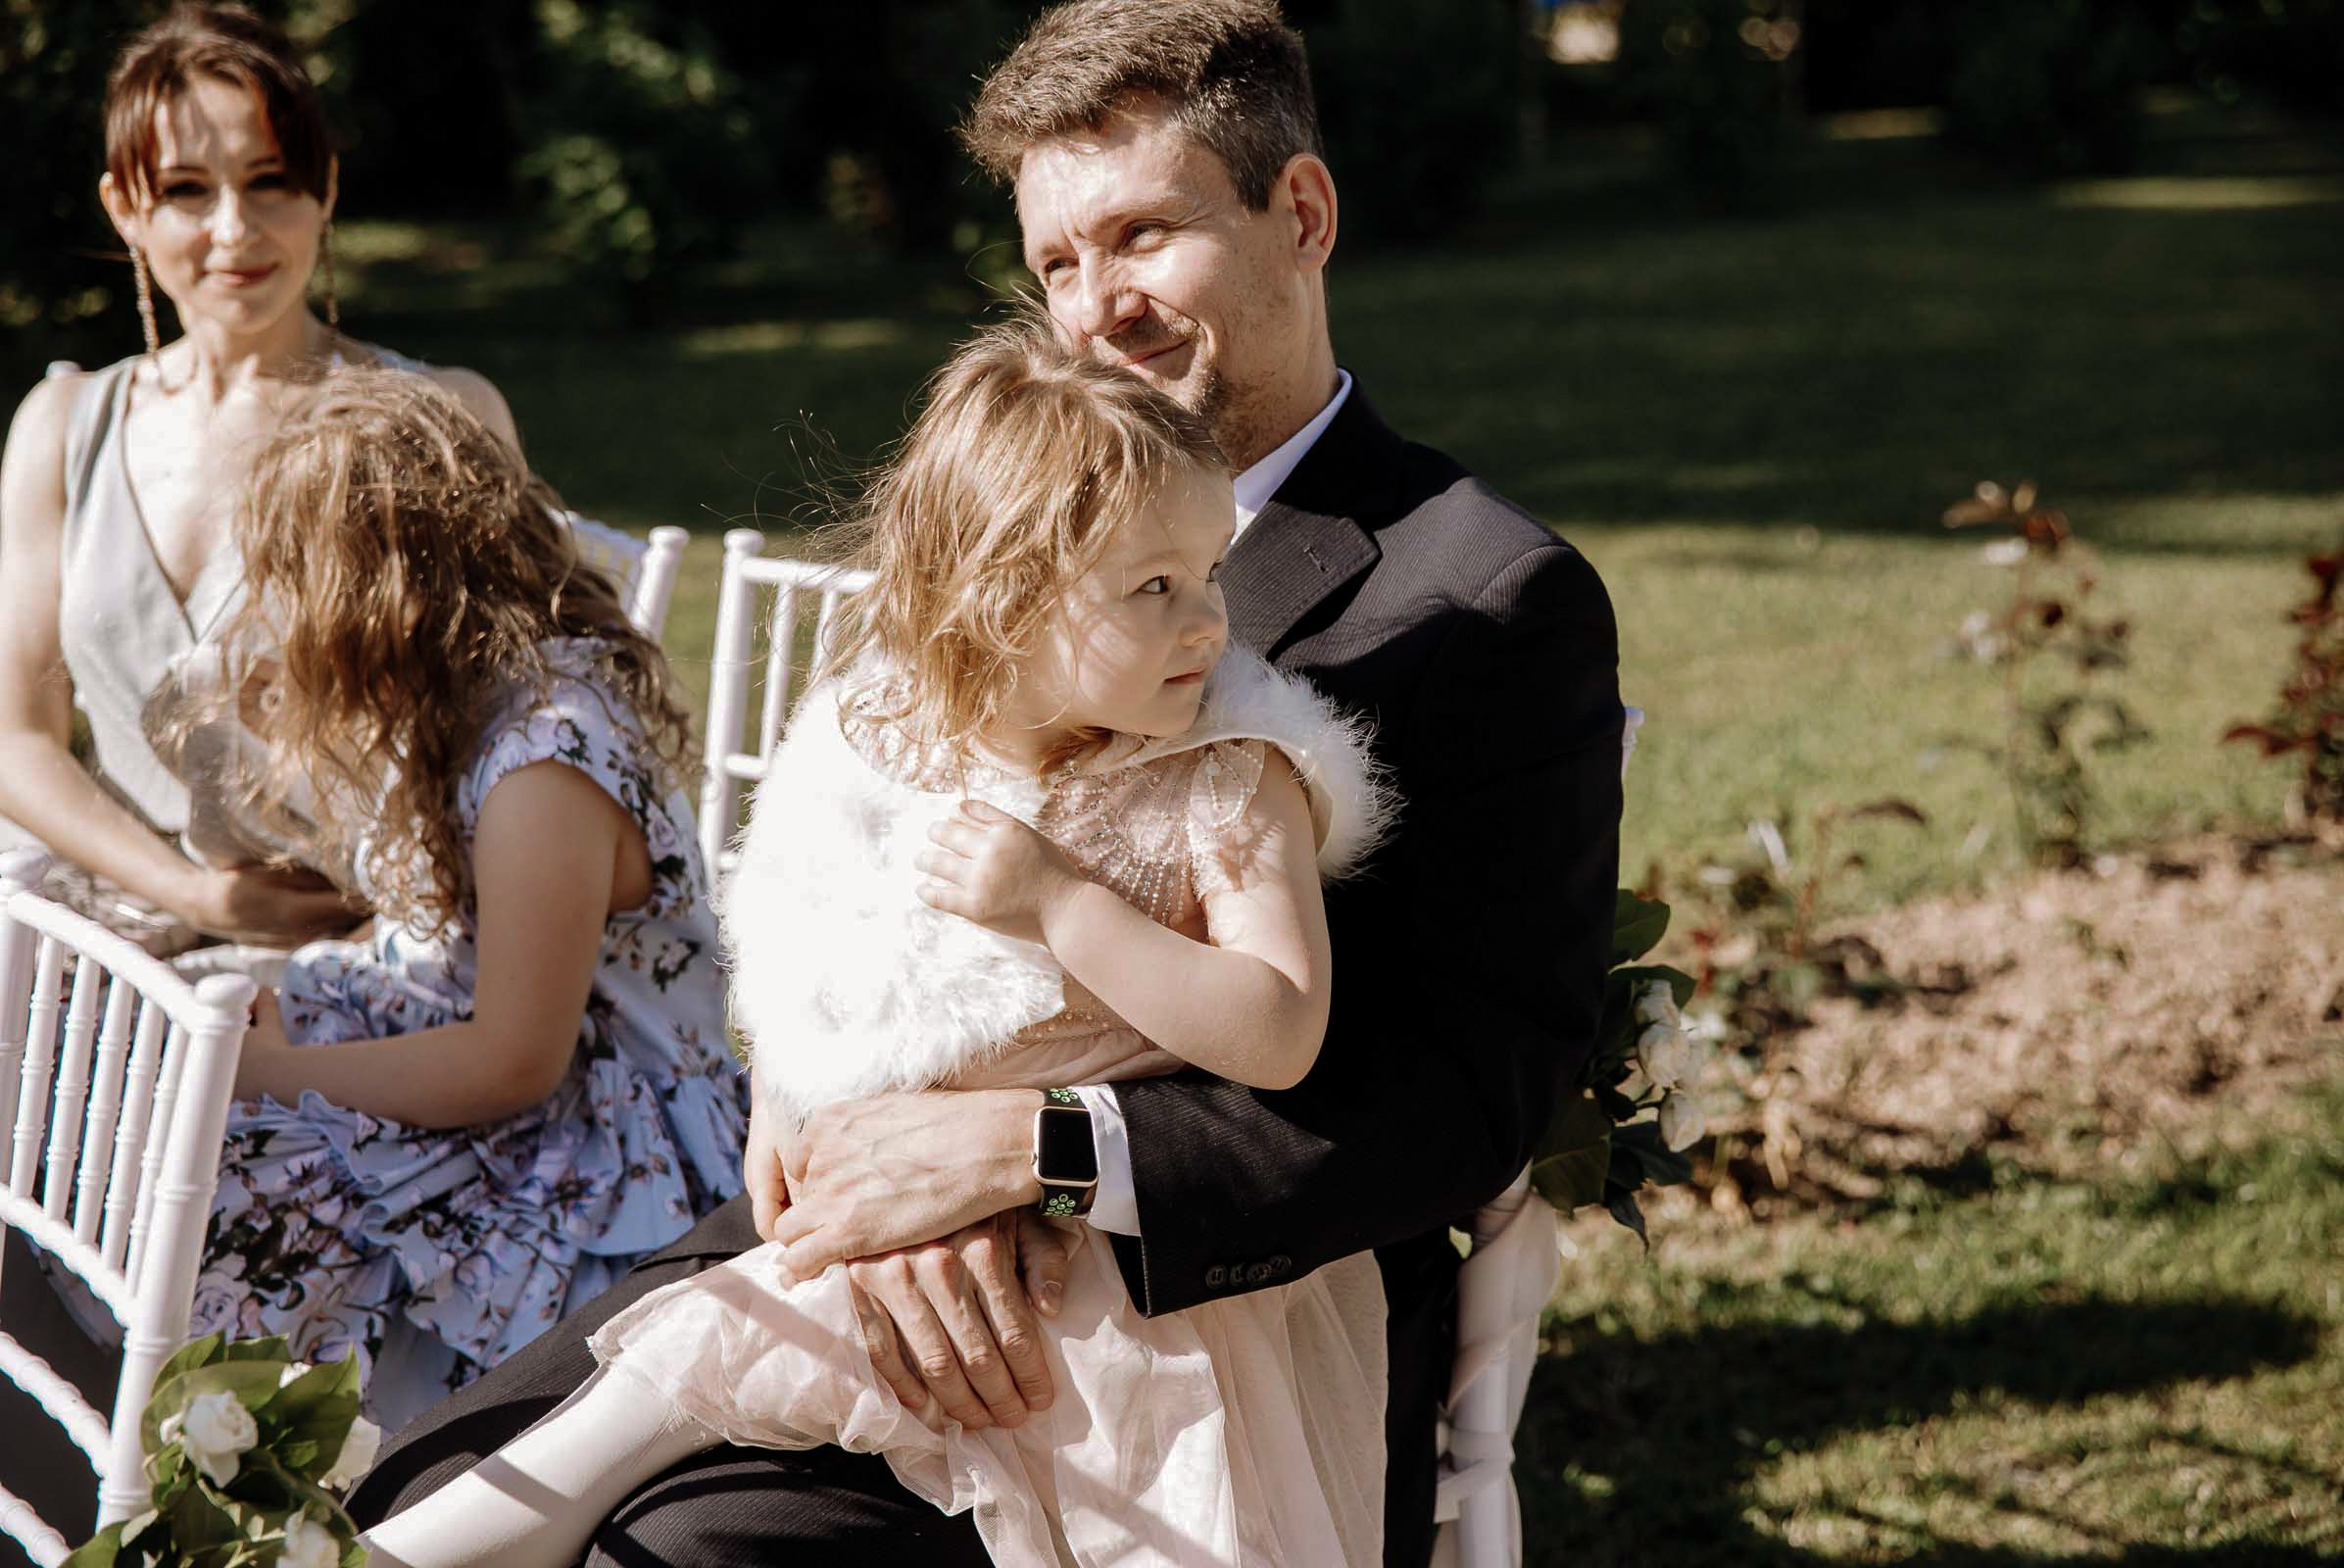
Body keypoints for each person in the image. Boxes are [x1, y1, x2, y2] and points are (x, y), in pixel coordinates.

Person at [353, 4, 1623, 1563]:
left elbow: (1465, 1095)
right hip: (860, 1211)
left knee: (670, 1552)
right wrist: (825, 1116)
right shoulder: (1022, 511)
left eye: (1142, 235)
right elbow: (848, 854)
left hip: (1197, 1319)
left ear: (1300, 214)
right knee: (428, 1496)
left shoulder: (1482, 597)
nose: (1099, 309)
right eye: (1059, 266)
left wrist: (1047, 1153)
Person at [362, 316, 1399, 1567]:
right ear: (1004, 602)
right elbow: (809, 953)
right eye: (1153, 588)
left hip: (1140, 1293)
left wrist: (1068, 907)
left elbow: (1280, 1029)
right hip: (888, 1232)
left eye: (1210, 572)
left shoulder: (1232, 774)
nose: (1207, 624)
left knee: (707, 1373)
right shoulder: (894, 744)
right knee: (666, 1378)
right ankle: (427, 1544)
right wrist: (791, 1092)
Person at [169, 369, 746, 1428]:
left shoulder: (543, 763)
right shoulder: (466, 696)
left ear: (380, 597)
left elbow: (515, 1059)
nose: (275, 616)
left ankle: (232, 1458)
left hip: (613, 1147)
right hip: (513, 1059)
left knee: (237, 1166)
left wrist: (277, 1073)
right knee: (176, 1101)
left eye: (291, 583)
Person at [0, 1, 518, 955]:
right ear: (125, 208)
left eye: (271, 181)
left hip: (367, 951)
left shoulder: (441, 420)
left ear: (325, 188)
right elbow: (16, 740)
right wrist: (192, 898)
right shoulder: (62, 429)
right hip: (115, 941)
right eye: (189, 190)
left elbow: (517, 734)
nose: (235, 230)